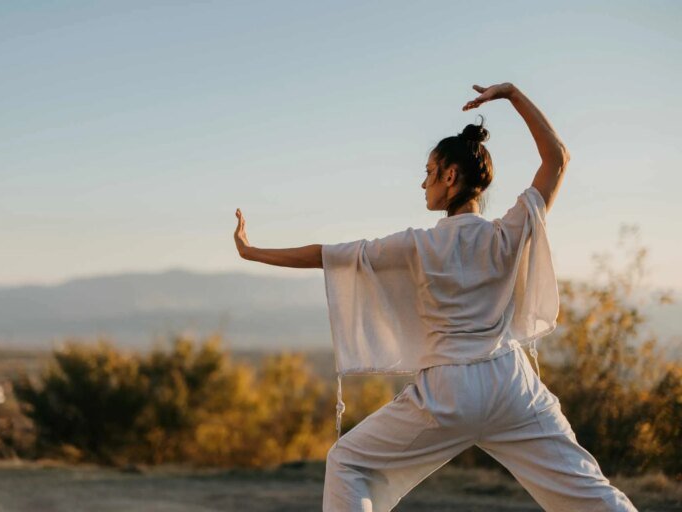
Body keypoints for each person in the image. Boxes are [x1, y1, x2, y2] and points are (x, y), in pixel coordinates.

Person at [233, 82, 637, 512]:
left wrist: (251, 250)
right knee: (590, 494)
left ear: (450, 175)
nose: (422, 182)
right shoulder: (508, 232)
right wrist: (513, 95)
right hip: (511, 386)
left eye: (428, 171)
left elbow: (327, 256)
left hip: (448, 393)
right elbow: (557, 158)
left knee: (348, 462)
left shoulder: (416, 246)